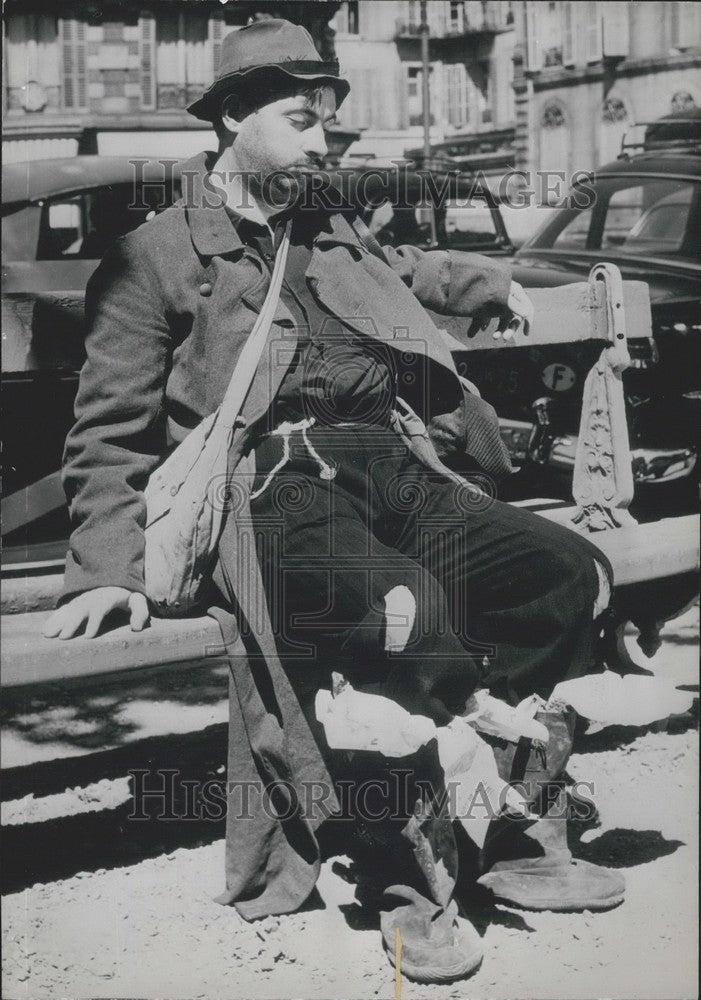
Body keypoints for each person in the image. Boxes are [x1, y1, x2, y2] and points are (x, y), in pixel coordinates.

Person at [44, 18, 624, 984]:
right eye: (301, 119)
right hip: (272, 482)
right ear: (233, 117)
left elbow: (406, 272)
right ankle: (406, 870)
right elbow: (107, 433)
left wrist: (486, 281)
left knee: (558, 572)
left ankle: (505, 824)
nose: (324, 140)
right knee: (396, 613)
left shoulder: (329, 220)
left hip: (388, 462)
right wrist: (107, 570)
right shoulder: (154, 256)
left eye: (326, 120)